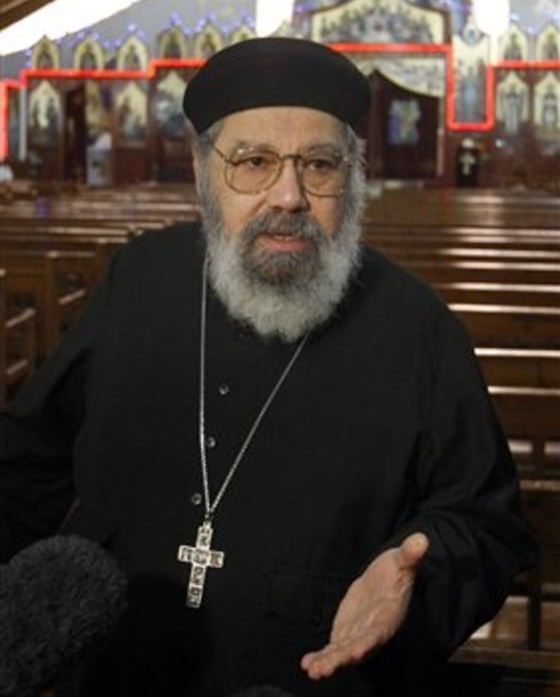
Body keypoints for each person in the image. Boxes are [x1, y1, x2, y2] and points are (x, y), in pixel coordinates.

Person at [0, 38, 534, 697]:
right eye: (253, 162)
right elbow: (26, 463)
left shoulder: (418, 328)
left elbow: (486, 524)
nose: (289, 195)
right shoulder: (139, 281)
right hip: (115, 672)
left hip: (310, 681)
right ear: (204, 175)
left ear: (352, 180)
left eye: (319, 164)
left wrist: (417, 573)